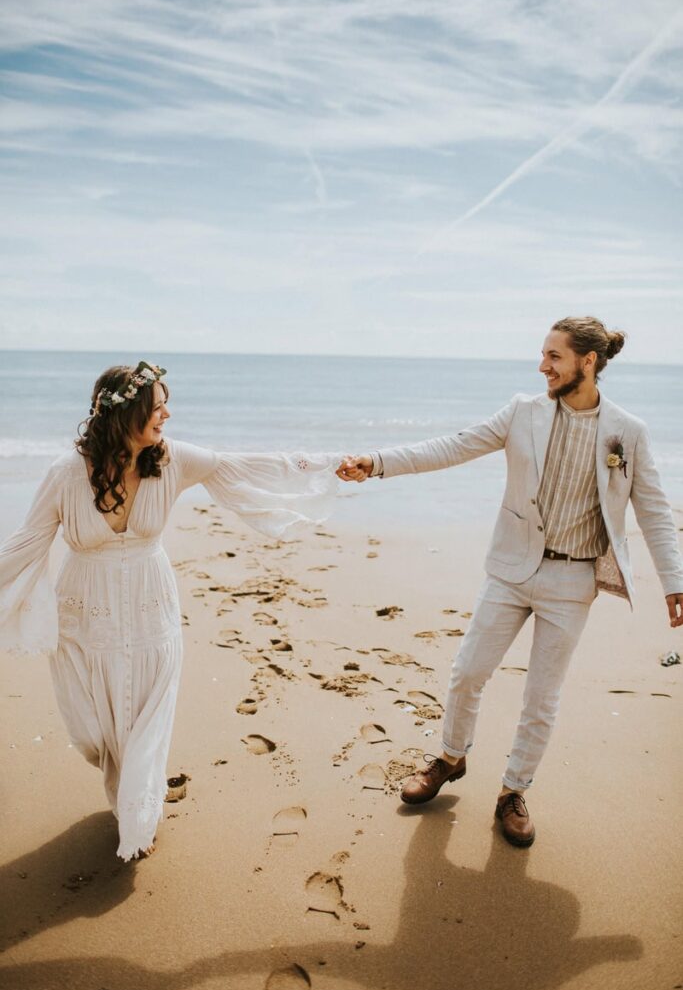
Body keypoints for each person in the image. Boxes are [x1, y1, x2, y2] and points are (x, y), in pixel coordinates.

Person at [338, 318, 683, 847]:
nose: (542, 365)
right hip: (511, 570)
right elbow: (451, 447)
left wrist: (673, 582)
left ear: (587, 363)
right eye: (543, 355)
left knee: (541, 699)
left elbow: (655, 511)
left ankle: (512, 792)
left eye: (554, 357)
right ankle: (450, 759)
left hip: (573, 582)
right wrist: (377, 462)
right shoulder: (522, 412)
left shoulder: (627, 432)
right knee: (468, 671)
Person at [0, 362, 339, 861]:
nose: (167, 414)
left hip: (149, 610)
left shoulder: (174, 459)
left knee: (147, 716)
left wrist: (329, 466)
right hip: (84, 618)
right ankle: (128, 789)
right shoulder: (66, 475)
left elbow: (244, 465)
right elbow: (26, 543)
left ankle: (139, 815)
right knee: (92, 734)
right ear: (125, 414)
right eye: (157, 406)